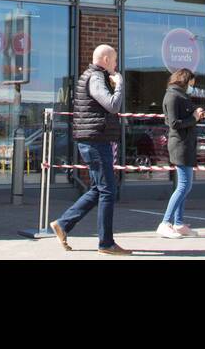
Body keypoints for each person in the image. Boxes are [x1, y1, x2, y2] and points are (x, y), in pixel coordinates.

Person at [50, 44, 128, 255]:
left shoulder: (95, 76)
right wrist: (119, 84)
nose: (116, 64)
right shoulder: (95, 78)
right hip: (96, 141)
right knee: (108, 190)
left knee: (98, 189)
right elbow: (112, 105)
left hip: (95, 139)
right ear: (105, 59)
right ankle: (106, 243)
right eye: (114, 60)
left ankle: (63, 224)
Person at [157, 68, 205, 239]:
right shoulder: (172, 96)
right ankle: (165, 222)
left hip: (186, 144)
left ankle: (178, 223)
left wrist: (196, 115)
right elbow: (174, 123)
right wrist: (194, 118)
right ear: (185, 80)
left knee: (185, 186)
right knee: (184, 186)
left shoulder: (180, 95)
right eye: (191, 83)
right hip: (180, 145)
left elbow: (185, 118)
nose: (192, 86)